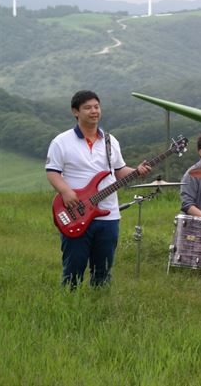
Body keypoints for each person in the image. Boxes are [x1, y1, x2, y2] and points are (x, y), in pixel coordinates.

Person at [45, 90, 151, 289]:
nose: (94, 111)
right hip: (76, 211)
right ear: (75, 112)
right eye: (87, 108)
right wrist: (66, 192)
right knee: (73, 267)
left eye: (96, 107)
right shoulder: (61, 141)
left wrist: (137, 171)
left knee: (103, 268)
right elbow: (52, 172)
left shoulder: (111, 141)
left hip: (109, 215)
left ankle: (99, 305)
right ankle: (69, 306)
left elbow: (118, 171)